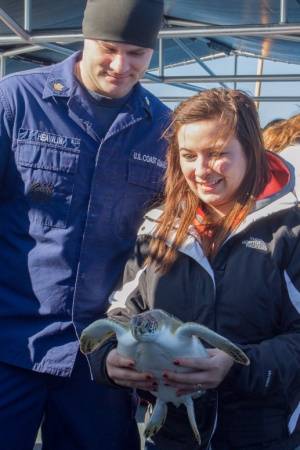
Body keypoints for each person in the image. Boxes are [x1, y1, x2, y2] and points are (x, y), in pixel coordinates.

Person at [0, 0, 169, 449]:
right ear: (84, 36)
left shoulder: (163, 130)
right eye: (109, 48)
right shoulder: (17, 101)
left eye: (137, 53)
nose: (120, 65)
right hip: (10, 340)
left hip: (102, 357)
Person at [91, 89, 300, 450]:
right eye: (188, 155)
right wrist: (106, 357)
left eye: (218, 154)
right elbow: (124, 310)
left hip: (264, 436)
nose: (201, 170)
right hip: (172, 436)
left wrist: (238, 367)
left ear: (251, 149)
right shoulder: (158, 227)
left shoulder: (290, 230)